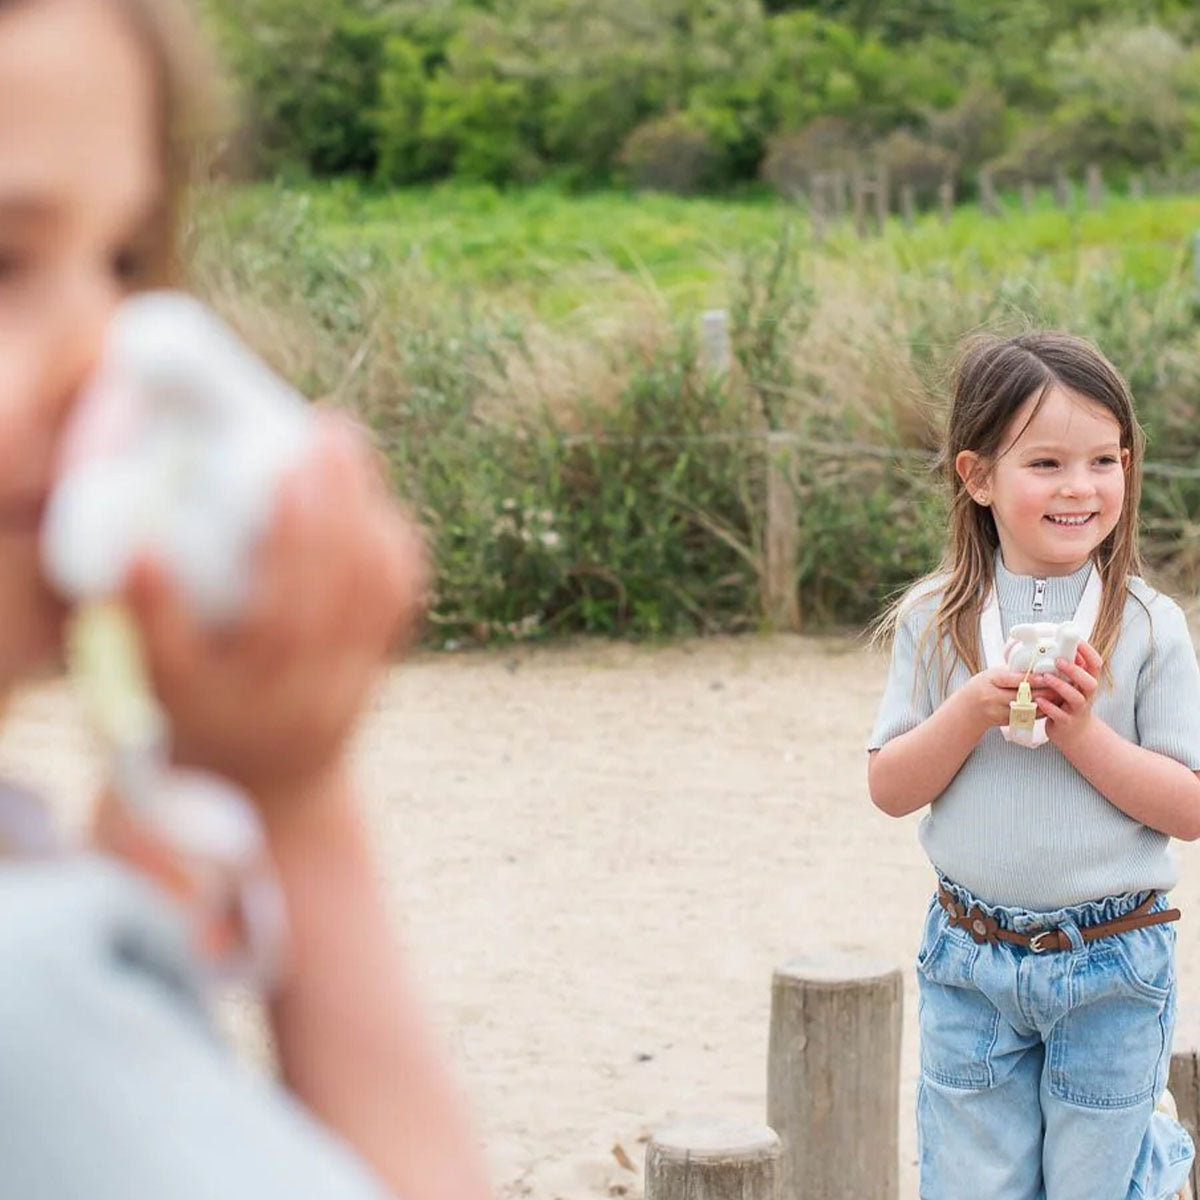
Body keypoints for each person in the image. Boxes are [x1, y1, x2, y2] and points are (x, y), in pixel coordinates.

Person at [0, 1, 492, 1198]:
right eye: (4, 259)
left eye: (122, 261)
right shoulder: (29, 1002)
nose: (113, 357)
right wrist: (300, 807)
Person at [868, 330, 1200, 1200]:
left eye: (1102, 460)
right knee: (974, 1184)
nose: (1080, 487)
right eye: (1045, 463)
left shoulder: (1151, 624)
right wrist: (973, 705)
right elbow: (890, 788)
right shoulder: (935, 620)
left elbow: (1189, 809)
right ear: (977, 477)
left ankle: (1150, 1157)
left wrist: (1083, 731)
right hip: (970, 956)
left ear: (1128, 466)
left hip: (1113, 958)